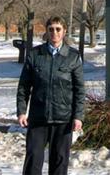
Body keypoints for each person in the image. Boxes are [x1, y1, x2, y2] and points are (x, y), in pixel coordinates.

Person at [16, 16, 84, 175]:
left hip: (63, 119)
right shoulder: (35, 54)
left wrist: (78, 116)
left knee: (59, 163)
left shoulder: (73, 56)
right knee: (33, 161)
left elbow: (79, 89)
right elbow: (24, 86)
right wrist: (21, 111)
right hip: (38, 118)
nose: (55, 32)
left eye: (58, 29)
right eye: (51, 29)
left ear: (64, 31)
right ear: (47, 31)